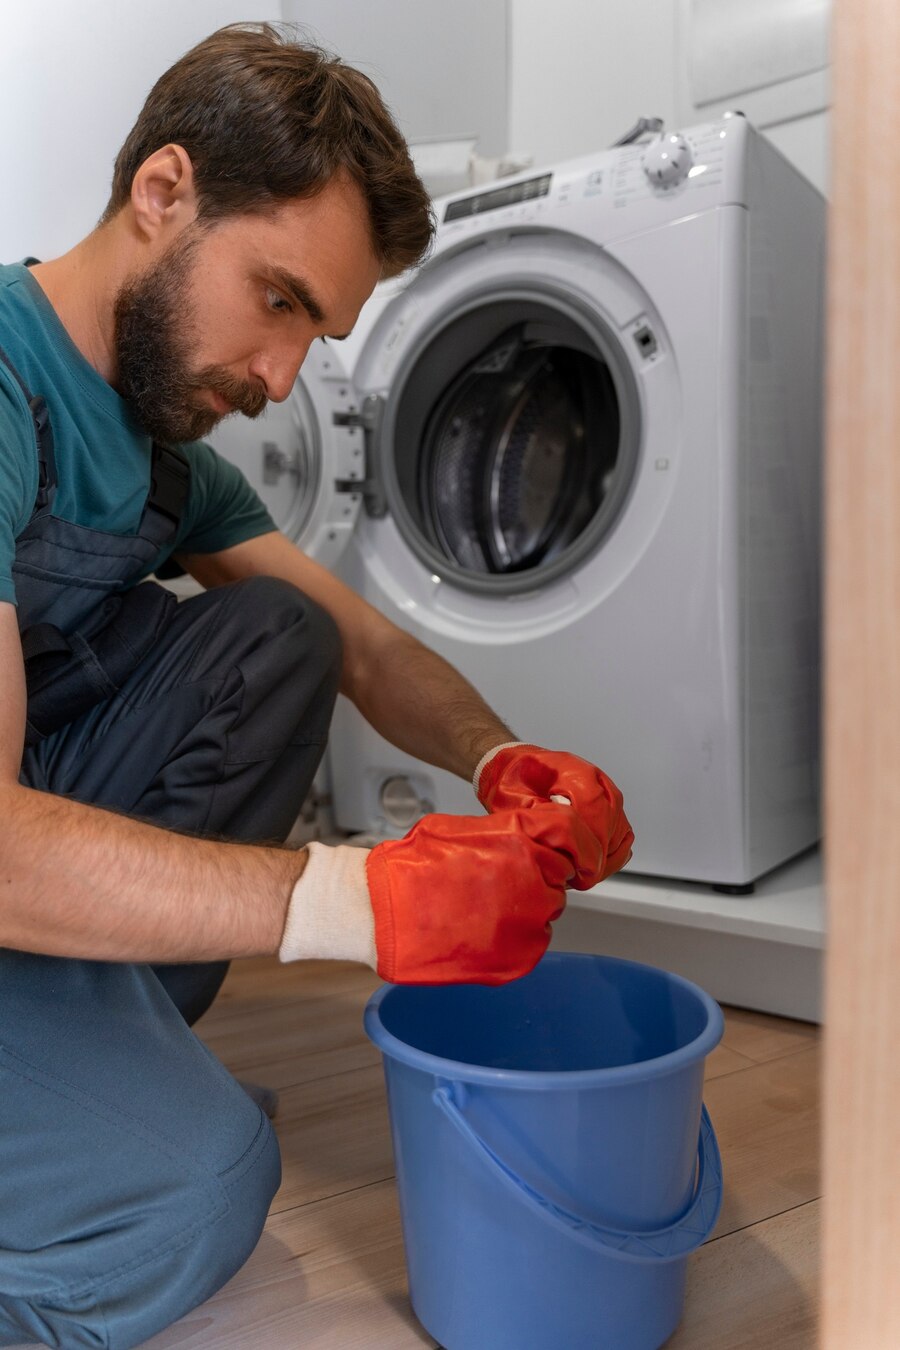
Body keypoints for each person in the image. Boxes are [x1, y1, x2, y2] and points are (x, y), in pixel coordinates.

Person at [0, 22, 634, 1349]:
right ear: (161, 193)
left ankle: (114, 1066)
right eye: (278, 298)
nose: (281, 377)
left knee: (282, 627)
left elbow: (365, 645)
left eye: (319, 333)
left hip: (40, 881)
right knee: (199, 1190)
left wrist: (502, 757)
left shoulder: (172, 462)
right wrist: (358, 897)